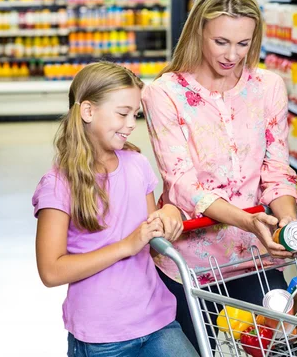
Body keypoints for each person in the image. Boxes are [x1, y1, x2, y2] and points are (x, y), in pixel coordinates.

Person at [141, 0, 297, 352]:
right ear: (200, 30)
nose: (232, 55)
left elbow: (276, 169)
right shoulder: (164, 93)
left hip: (256, 256)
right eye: (221, 41)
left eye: (243, 43)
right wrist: (249, 220)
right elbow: (182, 183)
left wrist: (288, 223)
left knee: (280, 347)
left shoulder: (268, 87)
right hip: (192, 264)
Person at [32, 62, 198, 356]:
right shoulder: (58, 184)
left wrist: (170, 215)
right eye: (122, 113)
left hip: (157, 319)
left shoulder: (138, 164)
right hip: (101, 335)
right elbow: (51, 271)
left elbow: (153, 241)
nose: (132, 124)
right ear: (88, 111)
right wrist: (126, 246)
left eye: (135, 115)